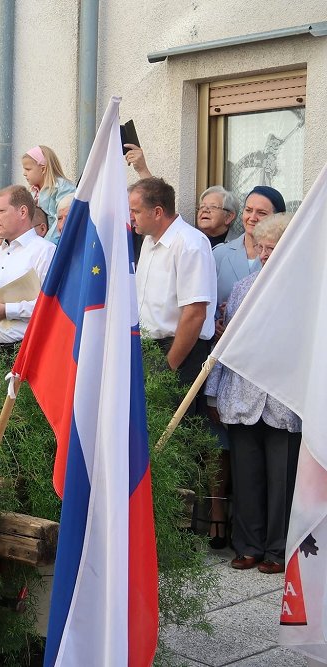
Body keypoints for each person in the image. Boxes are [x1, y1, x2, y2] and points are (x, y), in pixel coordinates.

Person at [205, 213, 300, 574]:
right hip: (241, 397)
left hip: (284, 400)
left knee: (282, 481)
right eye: (260, 246)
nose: (263, 253)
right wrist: (214, 394)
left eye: (271, 248)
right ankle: (247, 546)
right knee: (246, 478)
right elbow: (226, 345)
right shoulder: (243, 287)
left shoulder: (306, 292)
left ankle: (278, 550)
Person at [131, 177, 217, 396]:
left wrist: (168, 367)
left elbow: (195, 314)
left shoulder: (190, 243)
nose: (131, 217)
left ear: (157, 212)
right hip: (147, 348)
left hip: (177, 351)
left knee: (174, 425)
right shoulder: (149, 241)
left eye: (136, 211)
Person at [0, 185, 55, 350]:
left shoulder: (44, 251)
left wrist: (6, 310)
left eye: (0, 211)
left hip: (23, 350)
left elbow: (51, 306)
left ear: (22, 212)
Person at [212, 185, 284, 335]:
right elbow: (205, 301)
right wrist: (214, 324)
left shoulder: (284, 259)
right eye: (248, 210)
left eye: (261, 213)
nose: (252, 218)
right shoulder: (219, 254)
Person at [21, 145, 76, 244]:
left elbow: (61, 219)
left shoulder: (62, 187)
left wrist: (47, 243)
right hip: (37, 244)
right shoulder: (32, 192)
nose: (24, 173)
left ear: (43, 169)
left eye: (28, 169)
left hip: (57, 244)